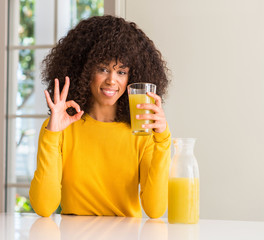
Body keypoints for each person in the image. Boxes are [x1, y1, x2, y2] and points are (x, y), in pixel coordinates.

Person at [29, 15, 171, 218]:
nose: (112, 80)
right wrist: (51, 135)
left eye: (121, 72)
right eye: (103, 69)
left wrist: (163, 139)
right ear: (84, 71)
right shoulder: (59, 128)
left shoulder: (143, 132)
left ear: (133, 76)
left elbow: (155, 210)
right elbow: (43, 207)